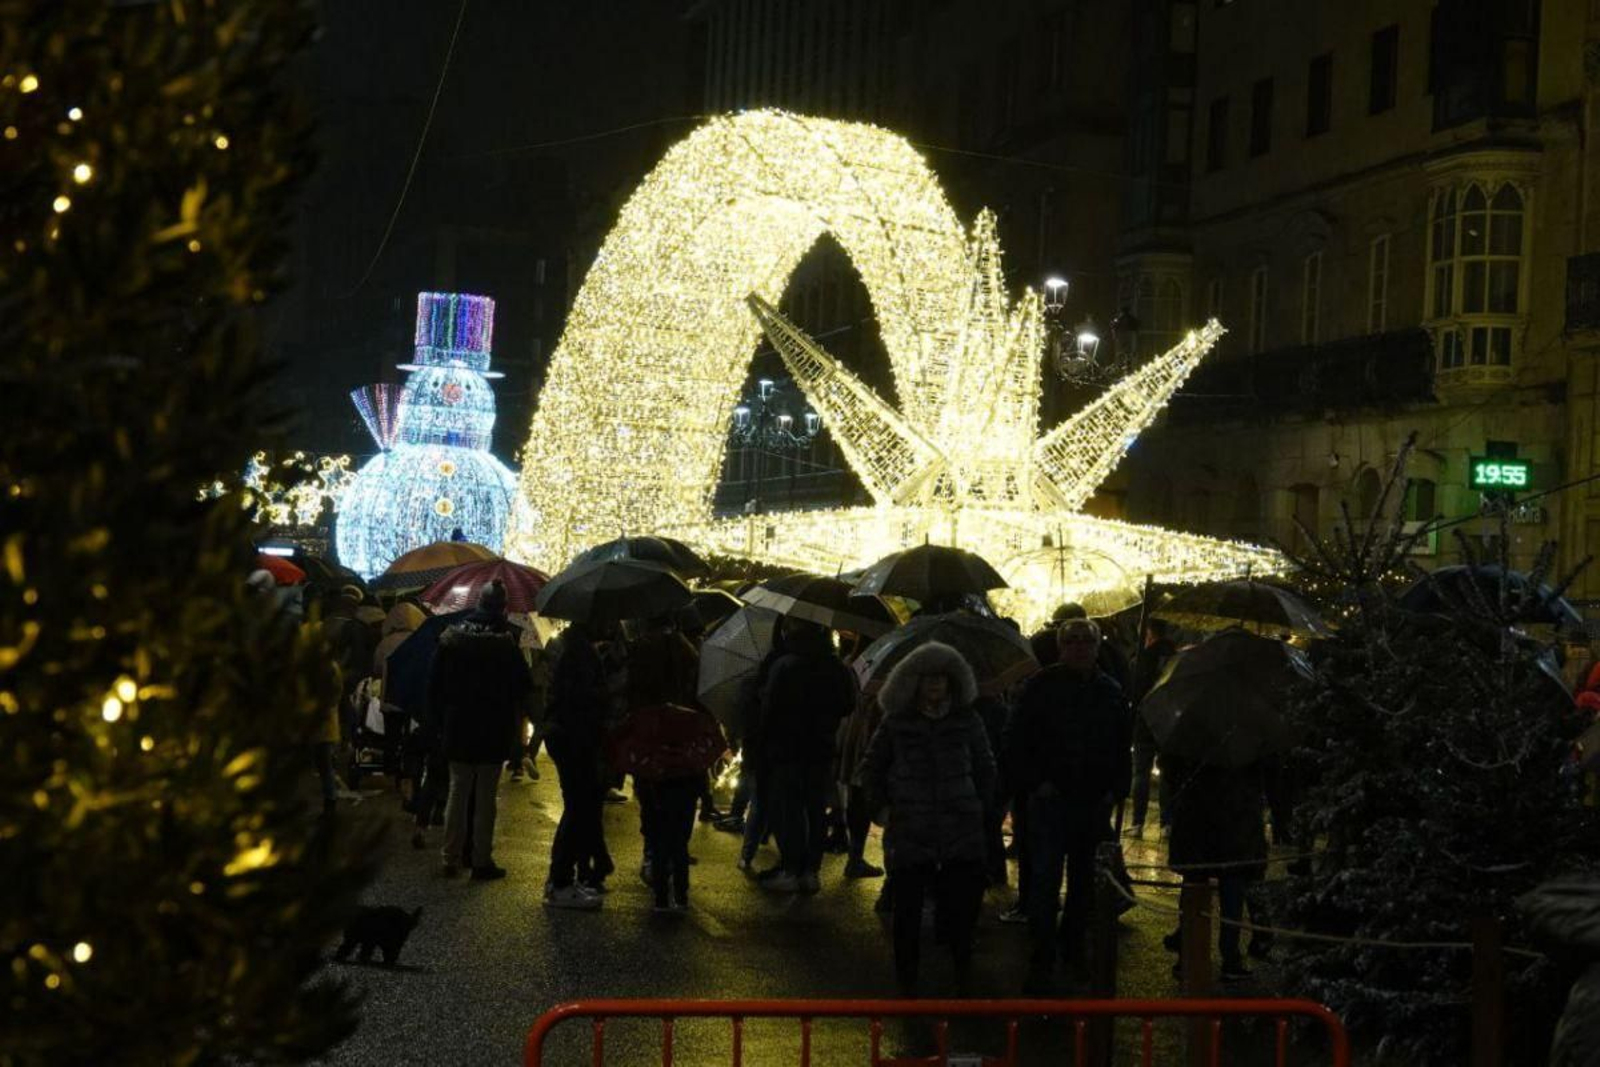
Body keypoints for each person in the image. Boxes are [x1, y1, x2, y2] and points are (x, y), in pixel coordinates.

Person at [860, 641, 996, 996]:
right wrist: (885, 810)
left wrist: (980, 809)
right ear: (914, 682)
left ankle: (962, 974)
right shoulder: (896, 722)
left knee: (961, 911)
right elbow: (872, 768)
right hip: (911, 831)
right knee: (907, 910)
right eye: (927, 678)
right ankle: (907, 978)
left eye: (941, 678)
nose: (935, 685)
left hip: (960, 830)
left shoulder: (967, 720)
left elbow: (985, 768)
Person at [1009, 618, 1132, 993]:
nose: (1080, 647)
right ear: (1061, 647)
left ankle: (1072, 946)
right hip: (1051, 801)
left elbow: (1119, 744)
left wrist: (1116, 788)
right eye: (1072, 641)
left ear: (1096, 647)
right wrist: (1037, 783)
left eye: (1086, 641)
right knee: (1045, 880)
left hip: (1092, 802)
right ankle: (1043, 954)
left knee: (1083, 883)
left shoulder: (1109, 691)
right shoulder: (1040, 687)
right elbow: (1018, 740)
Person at [427, 580, 531, 881]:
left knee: (457, 791)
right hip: (493, 727)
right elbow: (522, 686)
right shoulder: (507, 641)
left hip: (457, 725)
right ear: (502, 607)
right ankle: (481, 859)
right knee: (486, 796)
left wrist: (437, 721)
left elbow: (434, 685)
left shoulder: (452, 637)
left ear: (478, 602)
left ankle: (450, 856)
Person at [756, 616, 857, 892]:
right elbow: (849, 703)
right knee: (815, 810)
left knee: (788, 810)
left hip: (786, 748)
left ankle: (791, 868)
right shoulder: (836, 666)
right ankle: (811, 871)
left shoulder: (785, 664)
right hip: (821, 749)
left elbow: (769, 710)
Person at [543, 621, 611, 909]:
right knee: (578, 806)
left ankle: (562, 879)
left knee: (578, 807)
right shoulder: (579, 654)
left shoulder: (572, 648)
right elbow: (578, 698)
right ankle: (560, 881)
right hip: (575, 739)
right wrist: (603, 696)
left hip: (568, 736)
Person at [1128, 618, 1178, 835]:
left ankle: (1137, 823)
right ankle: (1167, 823)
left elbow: (1133, 689)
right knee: (1168, 773)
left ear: (1149, 632)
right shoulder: (1179, 658)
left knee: (1141, 772)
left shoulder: (1141, 658)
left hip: (1144, 720)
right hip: (1170, 721)